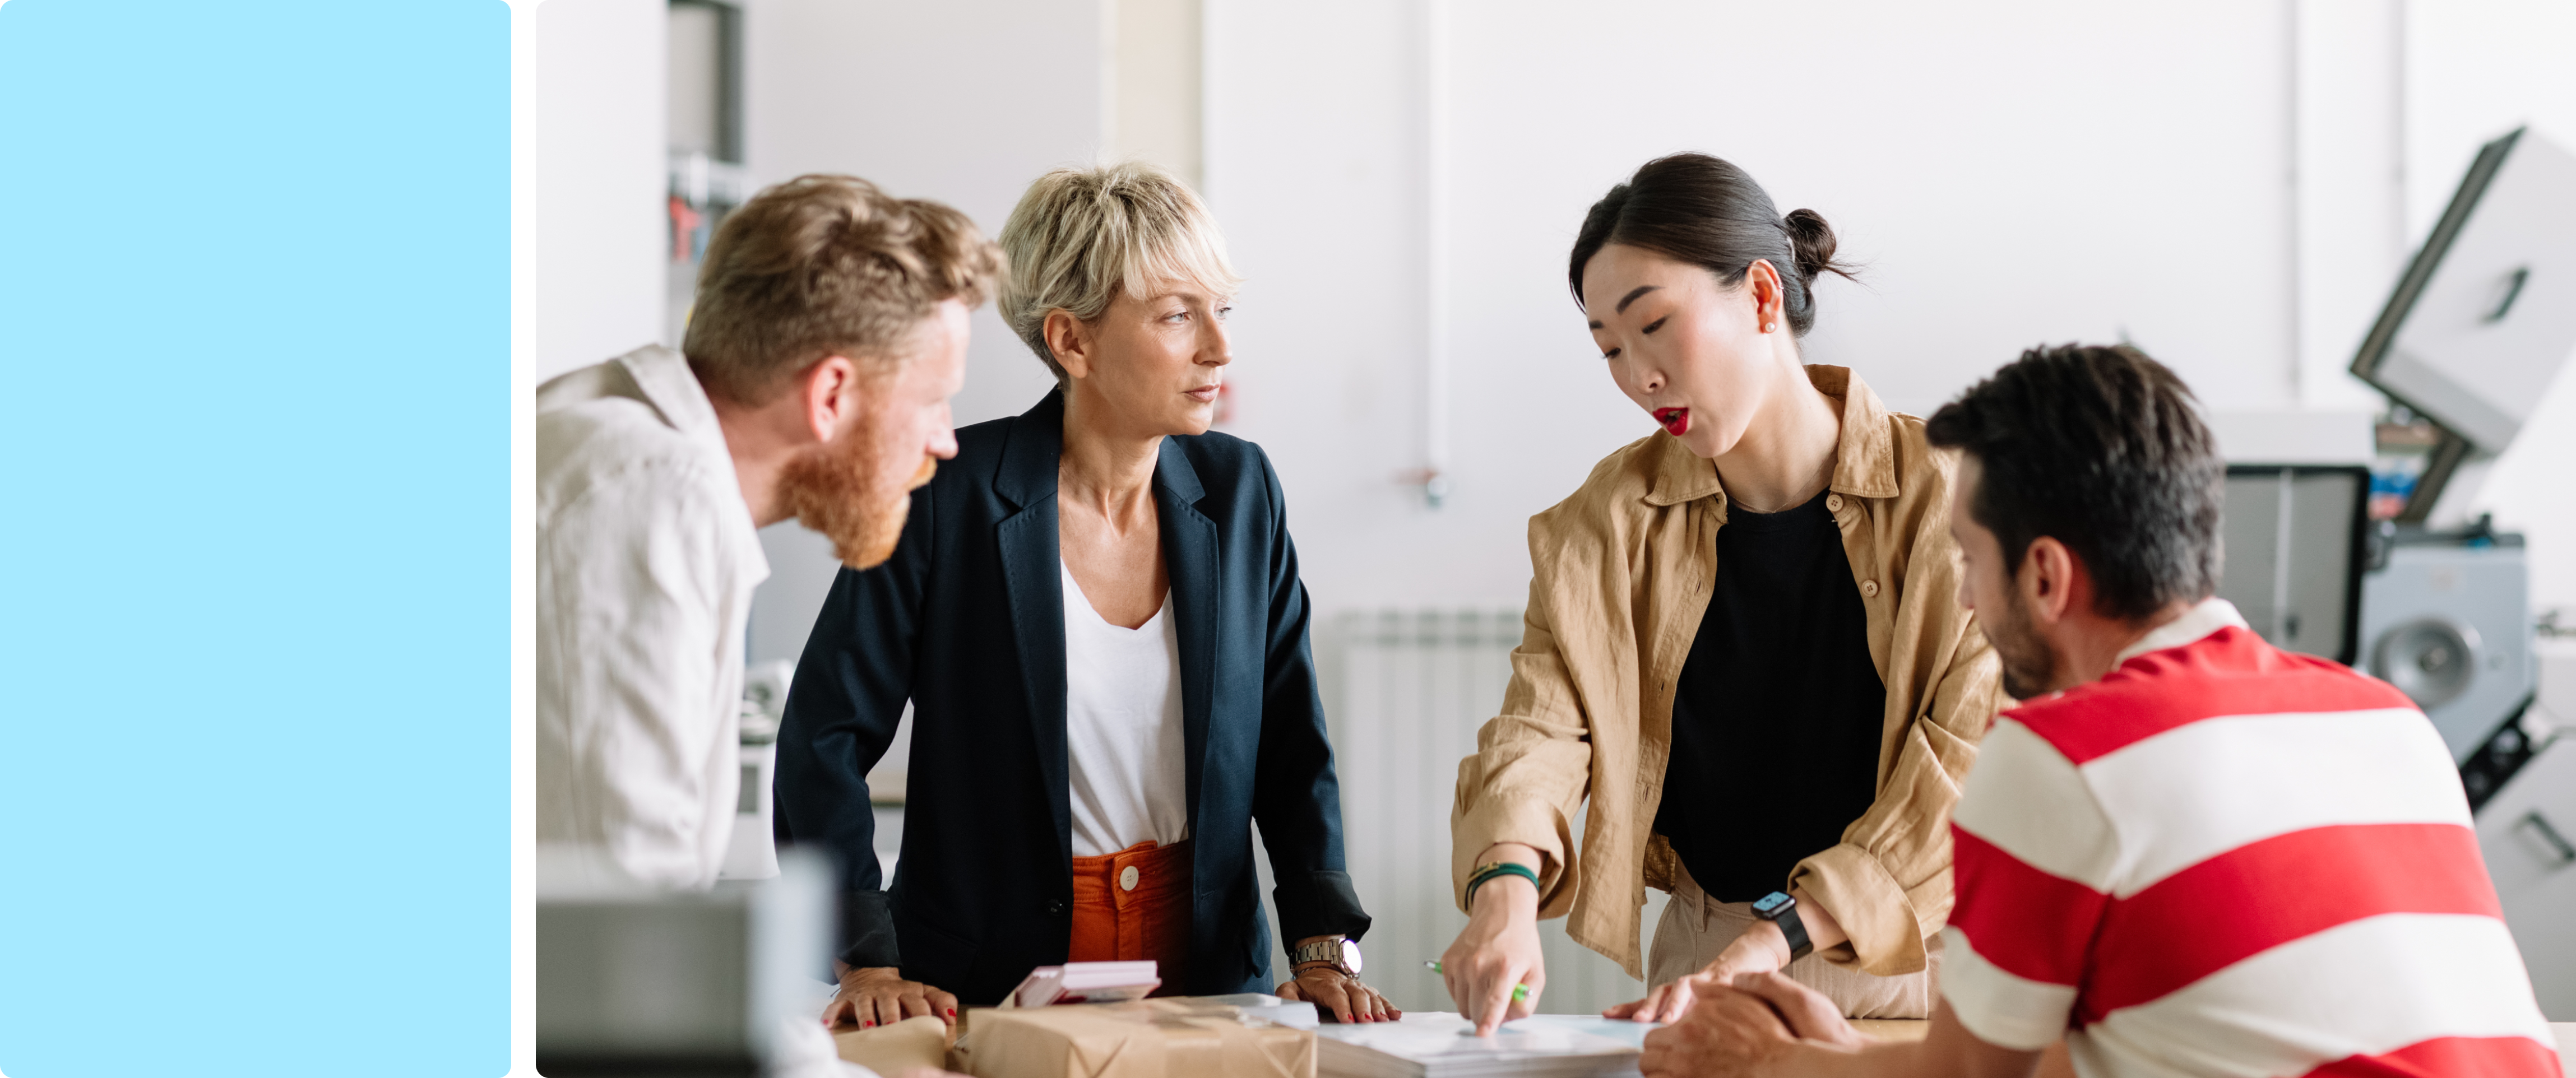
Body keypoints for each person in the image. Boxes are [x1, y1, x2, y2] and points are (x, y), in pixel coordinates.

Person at [1638, 344, 2561, 1078]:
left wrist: (1766, 1064)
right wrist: (1837, 1055)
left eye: (1969, 560)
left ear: (2044, 575)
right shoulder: (2385, 718)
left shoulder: (2062, 755)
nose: (1963, 599)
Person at [773, 161, 1399, 1032]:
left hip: (1210, 975)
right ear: (1072, 341)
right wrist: (866, 957)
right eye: (1179, 316)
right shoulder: (945, 499)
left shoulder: (1242, 488)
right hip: (984, 984)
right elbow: (822, 738)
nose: (1219, 348)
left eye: (1222, 311)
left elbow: (1293, 740)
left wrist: (1322, 945)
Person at [1438, 153, 2009, 1036]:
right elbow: (1541, 727)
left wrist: (1783, 937)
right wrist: (1504, 889)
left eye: (1655, 324)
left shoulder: (1953, 496)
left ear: (1762, 296)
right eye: (1610, 349)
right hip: (1704, 960)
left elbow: (1967, 769)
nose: (1638, 375)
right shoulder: (1603, 522)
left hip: (1914, 965)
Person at [536, 174, 1000, 1078]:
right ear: (832, 393)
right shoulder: (649, 496)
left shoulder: (611, 431)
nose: (945, 441)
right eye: (932, 400)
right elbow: (629, 944)